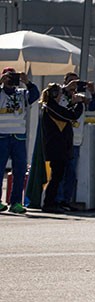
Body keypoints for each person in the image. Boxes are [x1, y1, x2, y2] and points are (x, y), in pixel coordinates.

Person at [56, 72, 95, 211]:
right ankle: (56, 200)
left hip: (75, 141)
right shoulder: (60, 96)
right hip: (60, 140)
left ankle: (66, 200)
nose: (74, 85)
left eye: (77, 82)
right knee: (59, 172)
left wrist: (92, 92)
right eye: (71, 82)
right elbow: (51, 103)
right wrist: (65, 90)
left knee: (71, 172)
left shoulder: (81, 98)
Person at [39, 83, 84, 213]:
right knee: (56, 177)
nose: (60, 96)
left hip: (61, 147)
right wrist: (79, 103)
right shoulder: (50, 107)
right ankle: (49, 203)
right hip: (56, 147)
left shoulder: (54, 107)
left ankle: (53, 202)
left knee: (58, 176)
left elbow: (64, 114)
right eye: (59, 93)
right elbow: (71, 115)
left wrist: (74, 104)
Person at [0, 67, 39, 214]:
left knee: (20, 170)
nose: (11, 80)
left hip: (18, 137)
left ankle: (16, 202)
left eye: (13, 77)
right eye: (8, 77)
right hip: (2, 136)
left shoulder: (22, 93)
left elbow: (35, 95)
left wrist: (27, 82)